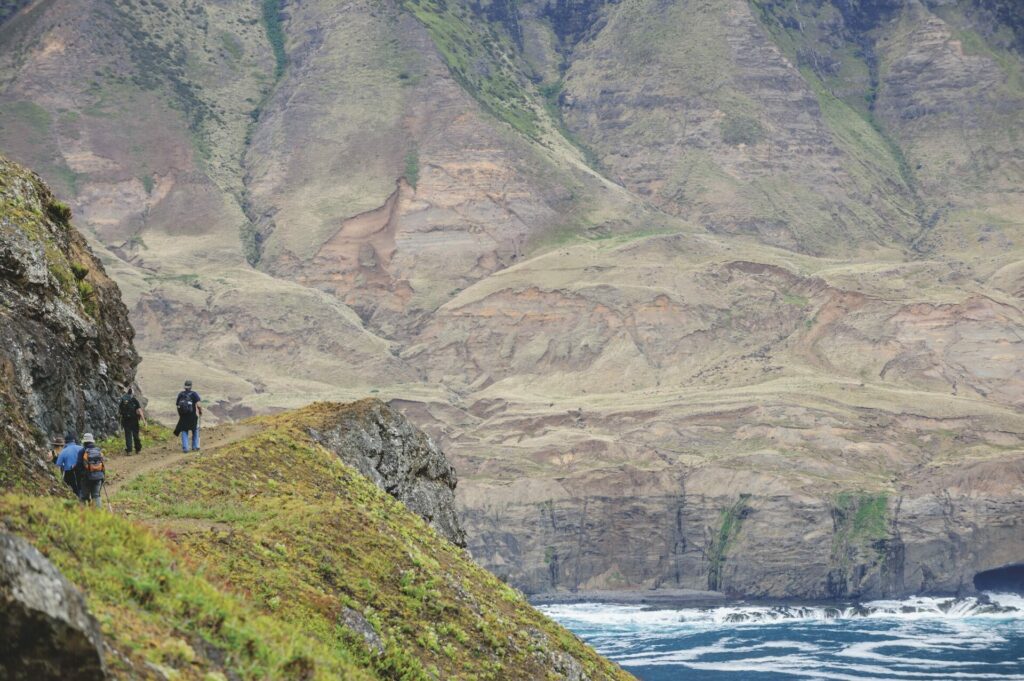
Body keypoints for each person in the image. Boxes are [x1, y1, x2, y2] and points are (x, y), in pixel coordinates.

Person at [174, 379, 202, 453]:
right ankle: (195, 446)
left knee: (184, 431)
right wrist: (200, 411)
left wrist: (180, 415)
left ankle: (186, 448)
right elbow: (199, 405)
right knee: (195, 430)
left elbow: (178, 406)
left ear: (184, 387)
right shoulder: (194, 394)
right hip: (192, 416)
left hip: (183, 417)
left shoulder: (181, 394)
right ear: (191, 386)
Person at [78, 433, 105, 508]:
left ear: (84, 442)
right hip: (98, 476)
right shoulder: (98, 450)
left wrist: (81, 475)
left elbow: (78, 465)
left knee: (84, 496)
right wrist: (103, 476)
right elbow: (102, 464)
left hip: (86, 477)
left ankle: (83, 515)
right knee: (96, 495)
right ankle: (98, 514)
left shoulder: (82, 451)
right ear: (92, 441)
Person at [53, 433, 83, 498]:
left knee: (73, 490)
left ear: (65, 442)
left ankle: (76, 503)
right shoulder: (81, 448)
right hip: (82, 471)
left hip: (70, 473)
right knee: (82, 489)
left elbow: (58, 465)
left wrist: (59, 478)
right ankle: (85, 503)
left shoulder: (63, 451)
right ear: (74, 441)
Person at [118, 385, 144, 455]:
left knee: (128, 435)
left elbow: (120, 411)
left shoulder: (123, 399)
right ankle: (138, 449)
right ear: (132, 392)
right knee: (135, 435)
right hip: (134, 420)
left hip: (126, 420)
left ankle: (129, 450)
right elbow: (139, 410)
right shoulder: (134, 400)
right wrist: (144, 420)